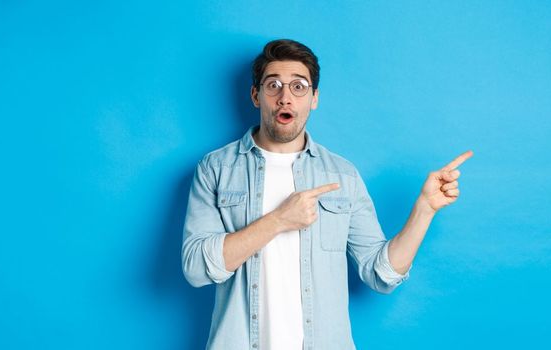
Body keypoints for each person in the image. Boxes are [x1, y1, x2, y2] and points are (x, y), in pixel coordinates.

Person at [181, 38, 472, 350]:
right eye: (273, 85)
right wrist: (278, 220)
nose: (285, 97)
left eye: (299, 86)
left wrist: (424, 210)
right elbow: (196, 268)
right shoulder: (216, 168)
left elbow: (381, 273)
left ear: (314, 98)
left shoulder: (342, 176)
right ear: (256, 95)